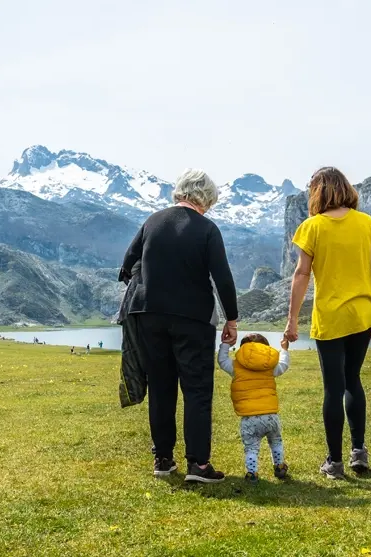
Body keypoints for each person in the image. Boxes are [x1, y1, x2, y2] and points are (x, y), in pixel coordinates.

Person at [119, 169, 239, 484]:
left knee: (161, 386)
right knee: (197, 390)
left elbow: (126, 266)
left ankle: (163, 459)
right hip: (193, 318)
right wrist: (232, 318)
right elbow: (223, 278)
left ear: (180, 192)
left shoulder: (152, 222)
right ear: (206, 199)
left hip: (148, 314)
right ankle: (198, 466)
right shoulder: (207, 229)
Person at [284, 167, 371, 480]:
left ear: (317, 192)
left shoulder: (311, 227)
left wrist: (291, 320)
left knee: (333, 388)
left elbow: (301, 274)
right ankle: (359, 453)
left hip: (329, 316)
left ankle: (335, 462)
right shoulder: (366, 222)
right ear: (345, 188)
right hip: (361, 313)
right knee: (353, 380)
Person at [217, 333, 291, 484]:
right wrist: (284, 349)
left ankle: (252, 473)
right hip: (271, 415)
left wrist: (225, 344)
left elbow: (222, 360)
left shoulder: (236, 367)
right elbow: (283, 365)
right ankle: (279, 466)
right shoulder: (270, 366)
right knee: (276, 441)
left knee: (251, 448)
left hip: (249, 418)